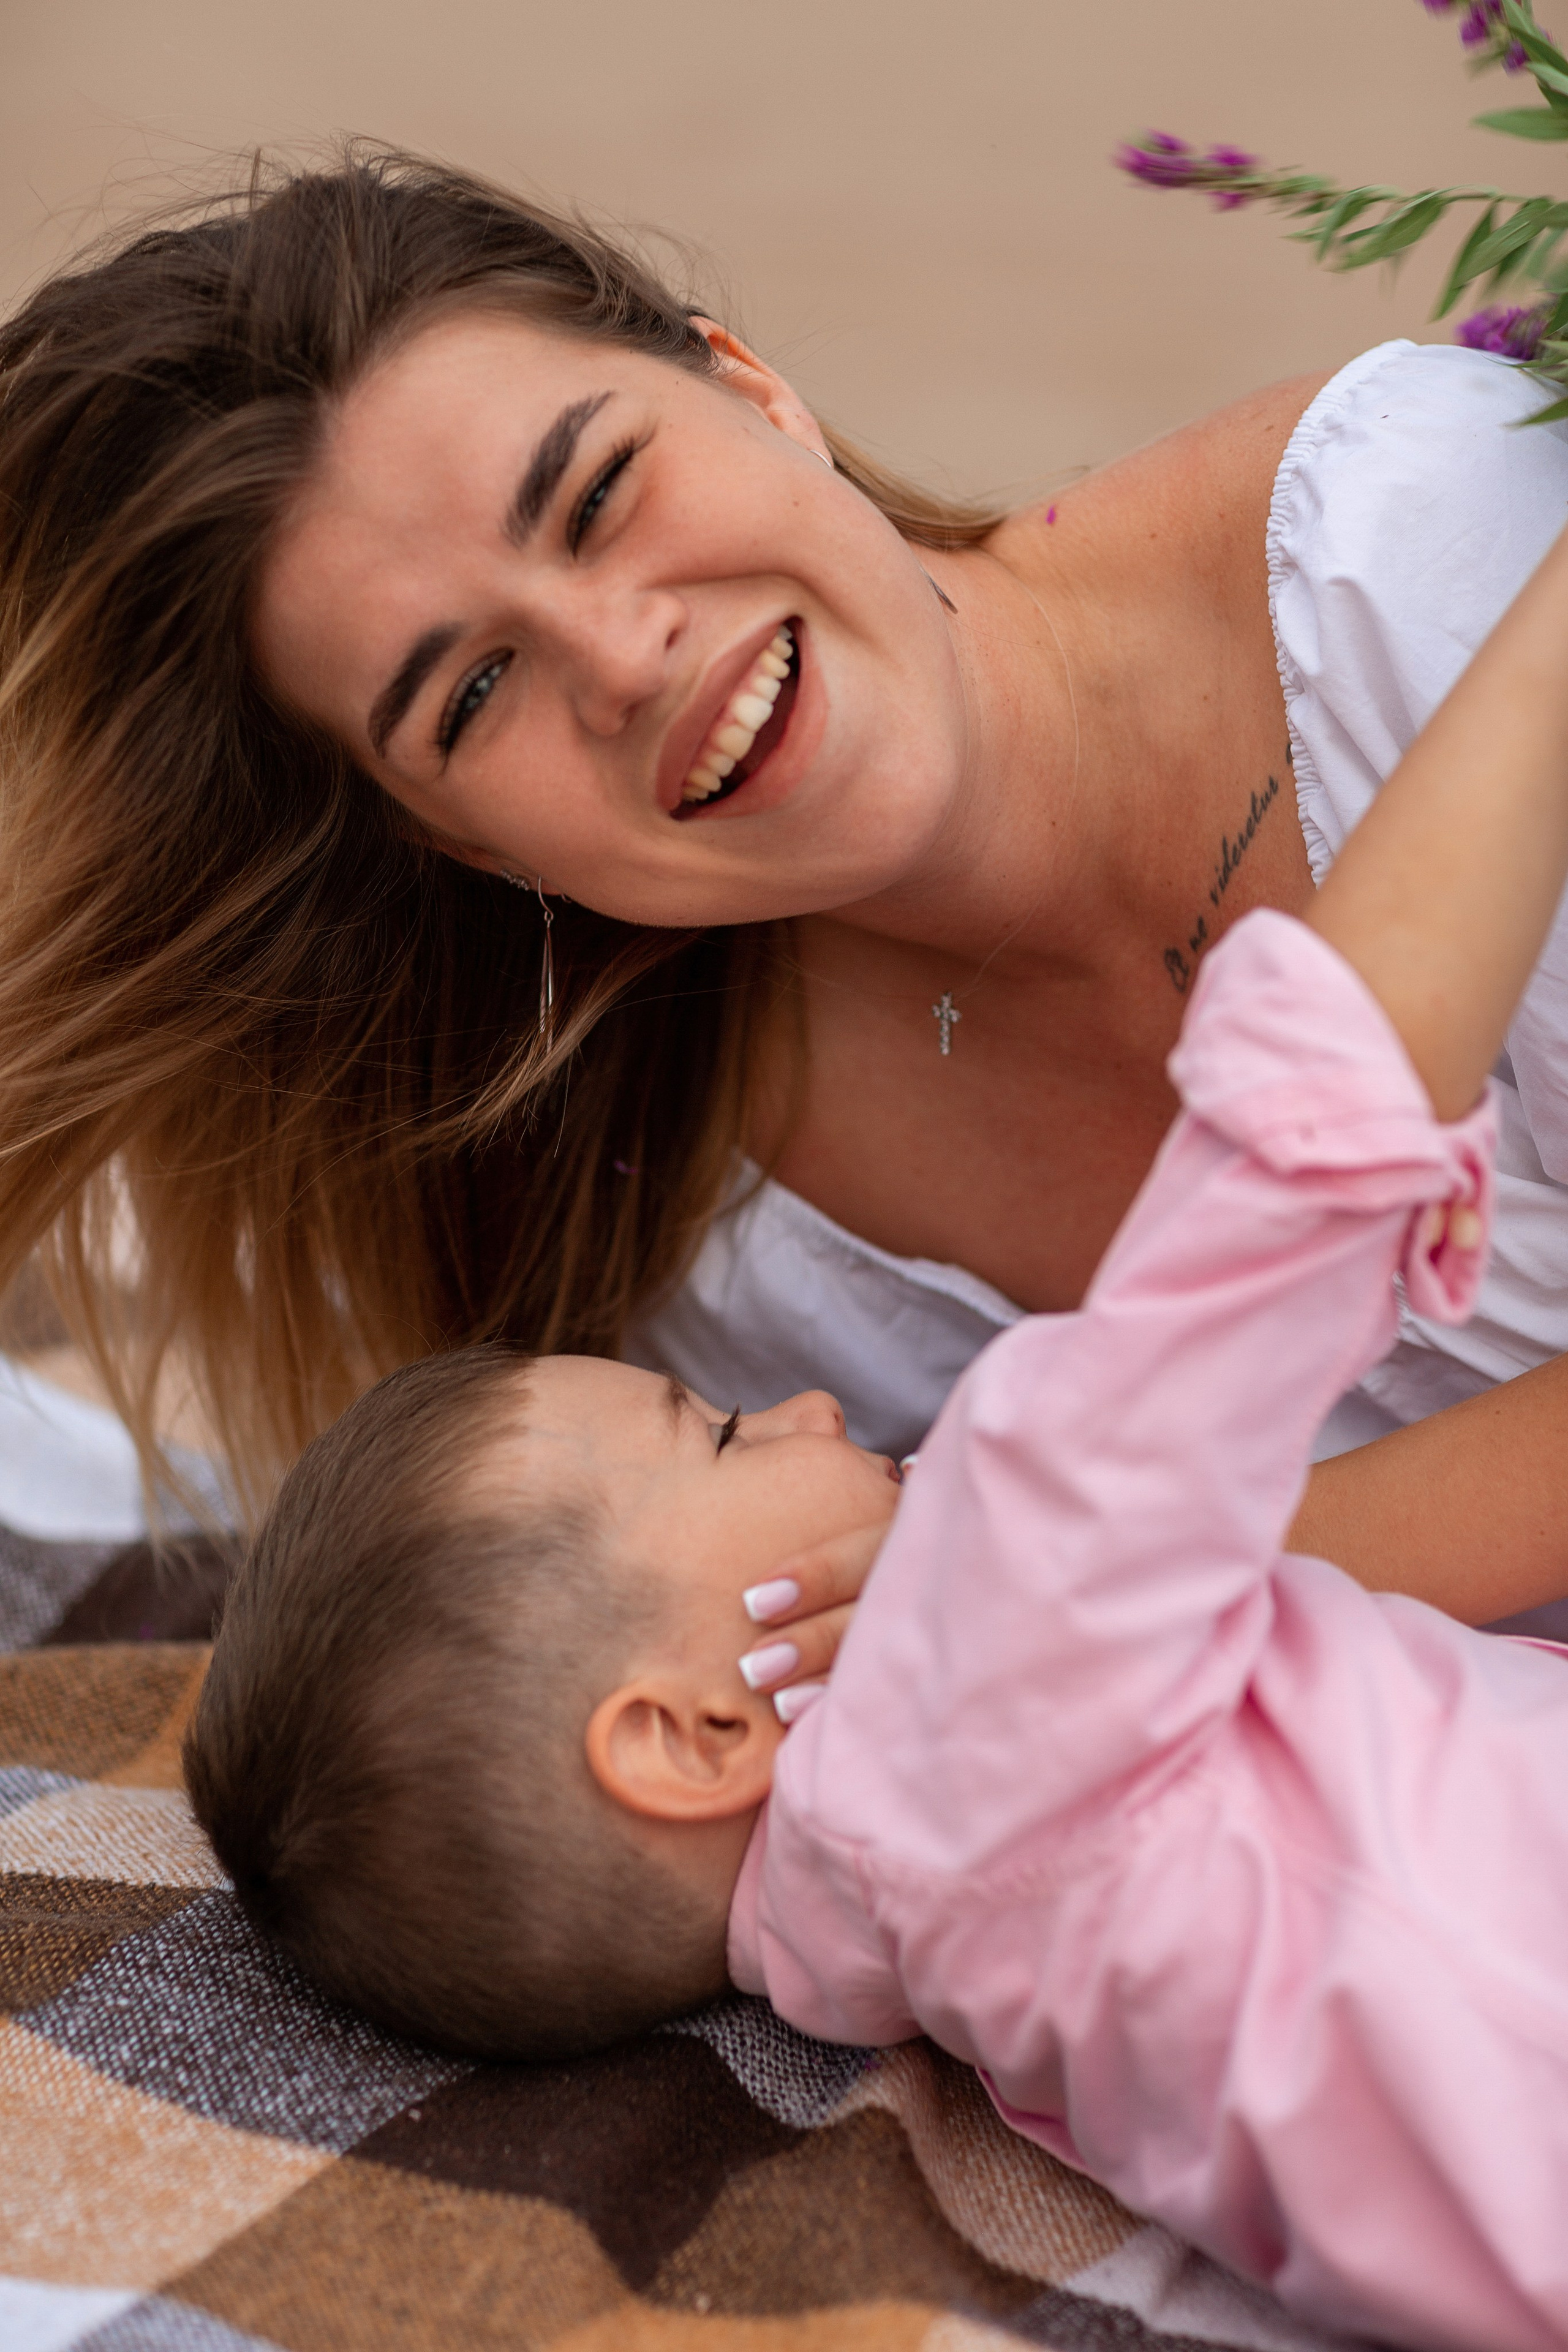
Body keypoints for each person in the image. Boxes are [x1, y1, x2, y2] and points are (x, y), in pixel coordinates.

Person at [186, 501, 1568, 2352]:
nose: (819, 1404)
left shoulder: (923, 1953)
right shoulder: (969, 1687)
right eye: (722, 1435)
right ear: (687, 1733)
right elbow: (1293, 1169)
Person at [4, 143, 1568, 1634]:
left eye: (600, 492)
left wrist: (1073, 1596)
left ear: (750, 386)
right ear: (460, 845)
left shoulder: (1440, 562)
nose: (624, 660)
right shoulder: (677, 1225)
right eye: (471, 698)